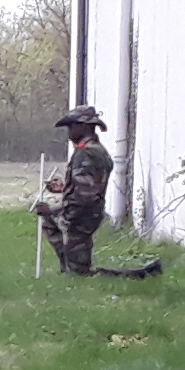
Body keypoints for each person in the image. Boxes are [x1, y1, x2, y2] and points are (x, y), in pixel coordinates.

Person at [40, 105, 115, 272]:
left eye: (72, 126)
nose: (69, 132)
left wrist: (63, 215)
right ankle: (67, 265)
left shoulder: (87, 154)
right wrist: (65, 187)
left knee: (80, 274)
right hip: (85, 213)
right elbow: (89, 184)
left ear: (84, 126)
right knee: (49, 222)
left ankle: (140, 275)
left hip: (81, 217)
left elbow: (85, 196)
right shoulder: (94, 151)